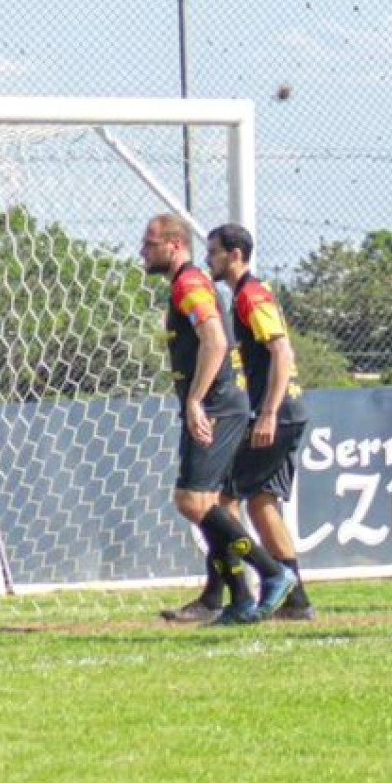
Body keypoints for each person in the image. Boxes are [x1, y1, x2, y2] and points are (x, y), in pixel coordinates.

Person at [140, 214, 295, 625]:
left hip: (218, 406)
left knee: (193, 501)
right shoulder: (187, 284)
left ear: (174, 246)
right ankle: (238, 597)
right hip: (220, 404)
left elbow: (215, 339)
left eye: (150, 243)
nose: (143, 251)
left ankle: (273, 573)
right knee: (210, 504)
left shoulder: (190, 284)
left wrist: (195, 400)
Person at [205, 223, 316, 620]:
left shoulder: (252, 295)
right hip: (286, 412)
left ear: (235, 255)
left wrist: (267, 412)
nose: (208, 259)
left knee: (219, 500)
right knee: (263, 503)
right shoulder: (245, 295)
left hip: (279, 414)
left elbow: (282, 353)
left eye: (214, 251)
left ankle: (239, 591)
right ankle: (296, 600)